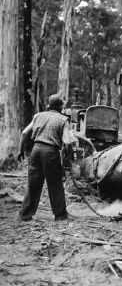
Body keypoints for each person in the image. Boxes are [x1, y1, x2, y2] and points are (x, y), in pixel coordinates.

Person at [17, 94, 73, 222]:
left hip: (36, 151)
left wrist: (21, 150)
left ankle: (25, 215)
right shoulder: (63, 119)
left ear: (49, 105)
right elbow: (68, 142)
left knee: (33, 183)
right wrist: (67, 158)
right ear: (61, 106)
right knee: (55, 183)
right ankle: (60, 216)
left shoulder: (38, 116)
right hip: (50, 152)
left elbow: (25, 133)